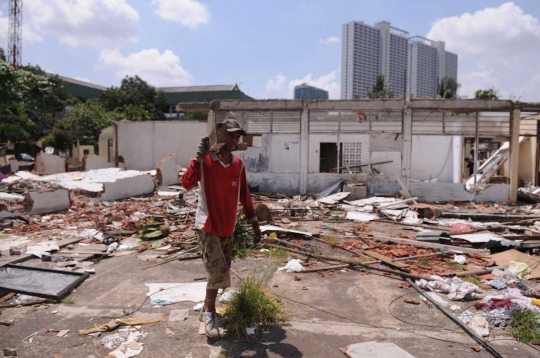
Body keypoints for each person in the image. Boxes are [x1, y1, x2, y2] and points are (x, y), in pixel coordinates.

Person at [181, 118, 261, 339]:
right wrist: (197, 157)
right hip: (207, 224)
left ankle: (209, 310)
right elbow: (186, 183)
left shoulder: (238, 164)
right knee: (217, 272)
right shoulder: (206, 162)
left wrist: (254, 223)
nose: (235, 139)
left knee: (219, 275)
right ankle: (209, 313)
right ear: (220, 136)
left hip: (229, 227)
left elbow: (244, 195)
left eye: (238, 136)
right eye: (231, 135)